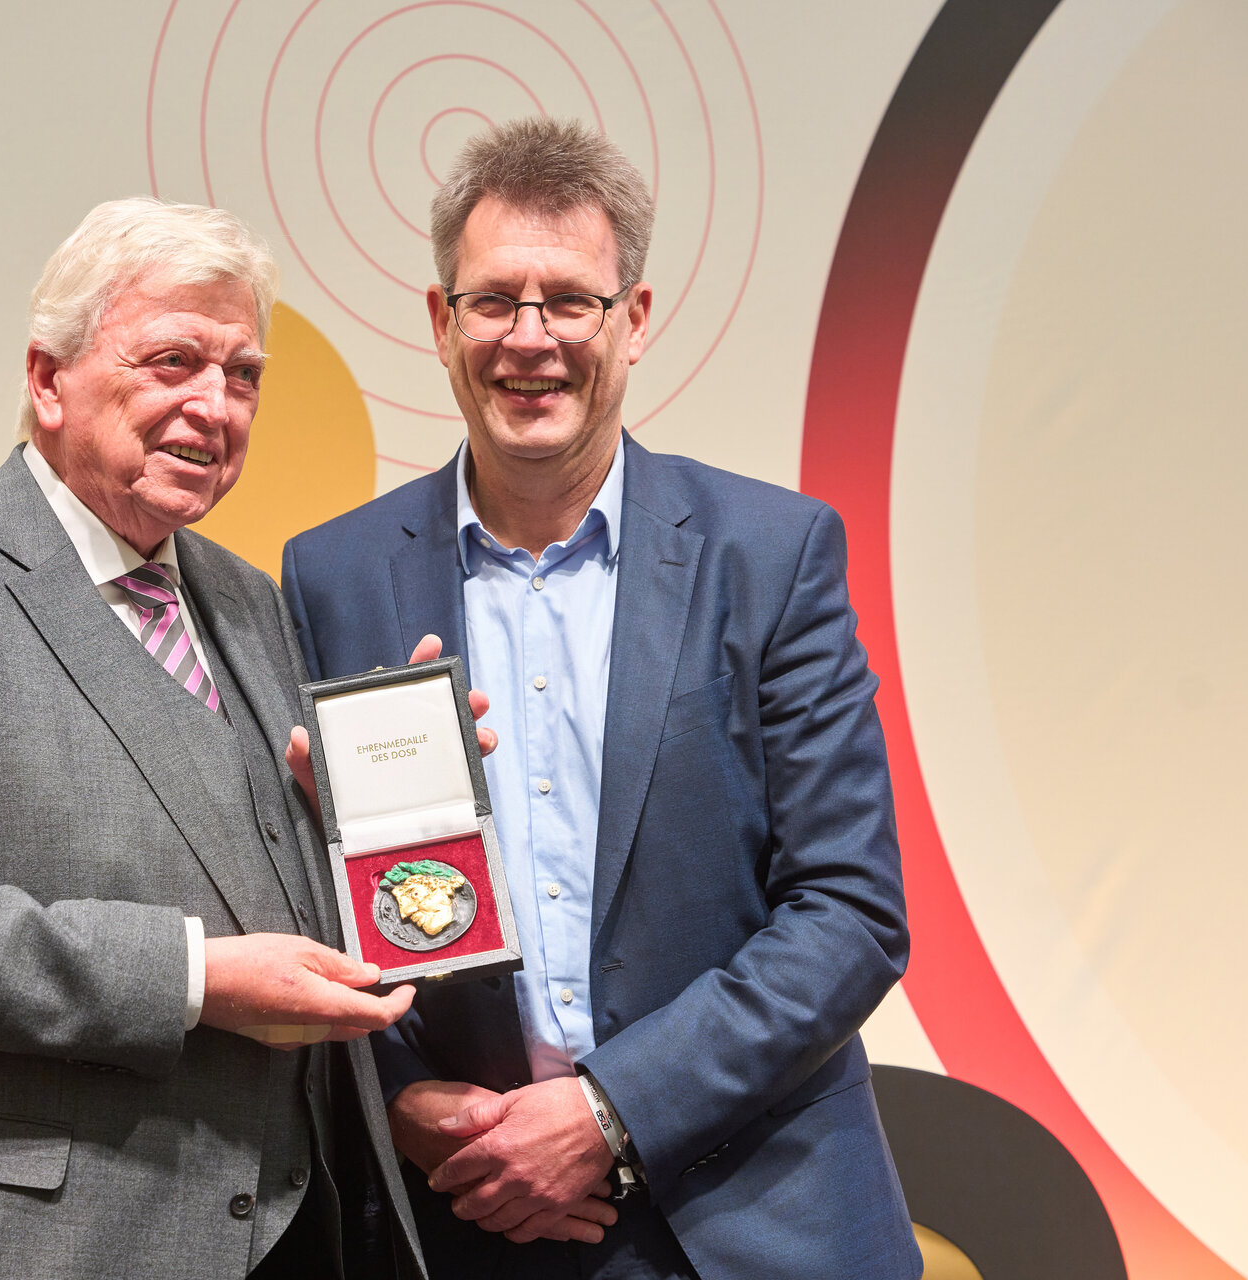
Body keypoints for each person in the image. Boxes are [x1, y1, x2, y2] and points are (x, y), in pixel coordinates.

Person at [0, 198, 460, 1279]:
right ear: (48, 379)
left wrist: (393, 808)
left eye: (243, 374)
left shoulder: (250, 603)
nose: (213, 405)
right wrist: (192, 977)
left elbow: (258, 892)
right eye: (173, 360)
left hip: (275, 1235)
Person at [281, 120, 921, 1279]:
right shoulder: (335, 578)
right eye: (494, 300)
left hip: (753, 1222)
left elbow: (850, 909)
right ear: (441, 322)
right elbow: (303, 910)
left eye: (570, 300)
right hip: (470, 1221)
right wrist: (401, 1098)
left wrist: (609, 1111)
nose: (530, 339)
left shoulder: (770, 554)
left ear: (634, 319)